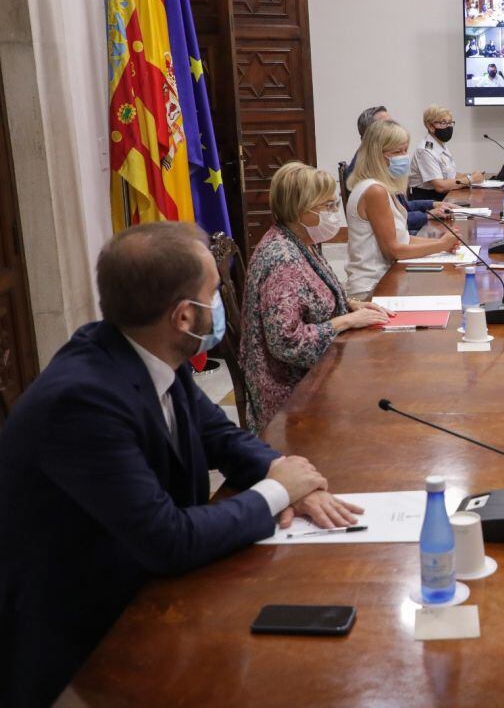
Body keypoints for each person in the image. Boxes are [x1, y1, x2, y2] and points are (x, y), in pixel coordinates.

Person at [0, 222, 362, 706]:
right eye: (214, 292)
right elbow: (166, 537)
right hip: (80, 645)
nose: (222, 306)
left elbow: (221, 436)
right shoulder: (82, 400)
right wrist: (276, 492)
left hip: (147, 596)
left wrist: (292, 477)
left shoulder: (145, 350)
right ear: (185, 317)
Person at [241, 162, 393, 433]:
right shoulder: (282, 260)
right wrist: (343, 322)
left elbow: (316, 295)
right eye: (327, 206)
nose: (334, 213)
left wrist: (350, 305)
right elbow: (287, 343)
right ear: (301, 210)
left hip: (316, 371)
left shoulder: (301, 241)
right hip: (290, 394)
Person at [347, 120, 460, 299]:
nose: (404, 157)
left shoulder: (383, 187)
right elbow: (394, 250)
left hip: (388, 277)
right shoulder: (374, 191)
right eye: (397, 152)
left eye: (405, 150)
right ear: (377, 155)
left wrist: (444, 245)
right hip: (372, 287)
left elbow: (403, 239)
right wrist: (440, 245)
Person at [347, 105, 456, 234]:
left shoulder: (384, 165)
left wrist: (433, 205)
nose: (393, 127)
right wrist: (428, 216)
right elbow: (392, 225)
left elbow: (402, 207)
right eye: (387, 124)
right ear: (373, 134)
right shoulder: (368, 174)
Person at [407, 104, 484, 202]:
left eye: (450, 123)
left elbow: (449, 175)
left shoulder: (440, 144)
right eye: (443, 123)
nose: (448, 127)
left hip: (443, 198)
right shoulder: (425, 151)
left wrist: (470, 176)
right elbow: (440, 186)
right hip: (428, 202)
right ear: (430, 126)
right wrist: (470, 179)